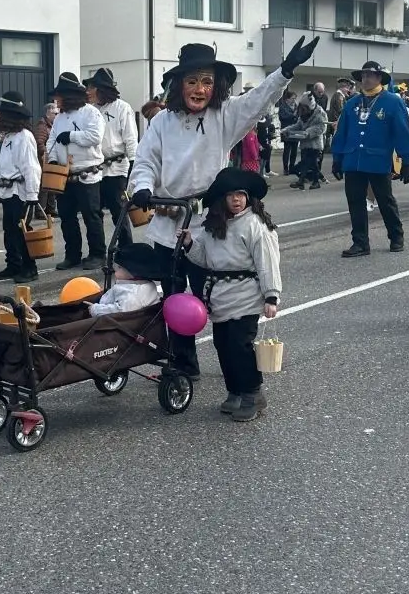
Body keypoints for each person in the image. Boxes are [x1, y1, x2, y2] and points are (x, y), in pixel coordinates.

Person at [129, 37, 317, 380]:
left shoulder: (224, 116)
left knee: (212, 294)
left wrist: (285, 71)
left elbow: (259, 100)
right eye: (191, 81)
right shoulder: (161, 123)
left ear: (216, 86)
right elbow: (145, 161)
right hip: (168, 221)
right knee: (174, 296)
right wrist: (142, 187)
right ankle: (184, 363)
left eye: (206, 81)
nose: (199, 88)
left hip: (208, 224)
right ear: (178, 85)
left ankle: (232, 361)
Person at [179, 168, 281, 423]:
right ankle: (234, 391)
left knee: (240, 347)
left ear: (248, 198)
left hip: (245, 295)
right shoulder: (214, 227)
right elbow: (206, 259)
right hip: (220, 296)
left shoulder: (256, 225)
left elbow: (267, 262)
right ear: (221, 200)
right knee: (223, 346)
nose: (237, 200)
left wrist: (271, 296)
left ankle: (253, 395)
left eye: (241, 194)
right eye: (231, 195)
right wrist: (190, 244)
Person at [331, 61, 409, 257]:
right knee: (355, 202)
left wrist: (407, 162)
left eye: (370, 75)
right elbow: (341, 133)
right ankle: (360, 243)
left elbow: (402, 132)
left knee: (385, 200)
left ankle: (396, 236)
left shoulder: (393, 102)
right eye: (363, 75)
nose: (366, 79)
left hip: (378, 160)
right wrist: (337, 158)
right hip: (353, 160)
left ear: (379, 78)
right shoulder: (352, 103)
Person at [46, 72, 107, 269]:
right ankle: (73, 254)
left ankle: (98, 253)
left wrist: (71, 136)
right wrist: (53, 159)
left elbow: (94, 137)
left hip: (87, 173)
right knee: (66, 217)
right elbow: (51, 140)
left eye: (59, 96)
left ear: (69, 95)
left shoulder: (91, 113)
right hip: (65, 175)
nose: (57, 100)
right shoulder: (59, 118)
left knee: (92, 215)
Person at [0, 91, 42, 284]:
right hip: (8, 192)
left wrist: (32, 195)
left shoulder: (24, 137)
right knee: (9, 230)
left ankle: (30, 268)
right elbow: (4, 166)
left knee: (21, 230)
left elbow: (31, 167)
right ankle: (13, 264)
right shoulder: (9, 137)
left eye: (3, 114)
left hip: (20, 193)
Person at [87, 68, 138, 250]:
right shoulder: (91, 111)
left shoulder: (122, 108)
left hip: (117, 167)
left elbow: (130, 137)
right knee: (94, 212)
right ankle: (99, 250)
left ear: (101, 89)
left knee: (119, 211)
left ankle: (127, 248)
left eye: (92, 88)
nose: (88, 91)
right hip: (95, 168)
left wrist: (133, 162)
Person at [87, 242, 161, 317]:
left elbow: (119, 311)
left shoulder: (133, 295)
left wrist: (96, 309)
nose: (114, 269)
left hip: (113, 321)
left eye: (119, 267)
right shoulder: (144, 284)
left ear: (133, 273)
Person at [288, 94, 327, 190]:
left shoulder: (320, 113)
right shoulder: (304, 114)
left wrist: (308, 132)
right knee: (311, 164)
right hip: (305, 143)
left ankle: (303, 181)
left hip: (315, 144)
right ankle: (314, 181)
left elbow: (321, 128)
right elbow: (298, 125)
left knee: (308, 162)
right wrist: (286, 131)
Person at [276, 89, 300, 175]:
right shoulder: (283, 107)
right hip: (286, 131)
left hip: (296, 131)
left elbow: (299, 117)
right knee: (287, 150)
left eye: (295, 98)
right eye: (293, 98)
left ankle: (292, 167)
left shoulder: (296, 106)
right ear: (287, 99)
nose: (294, 100)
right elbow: (283, 117)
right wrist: (293, 115)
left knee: (294, 151)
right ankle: (285, 168)